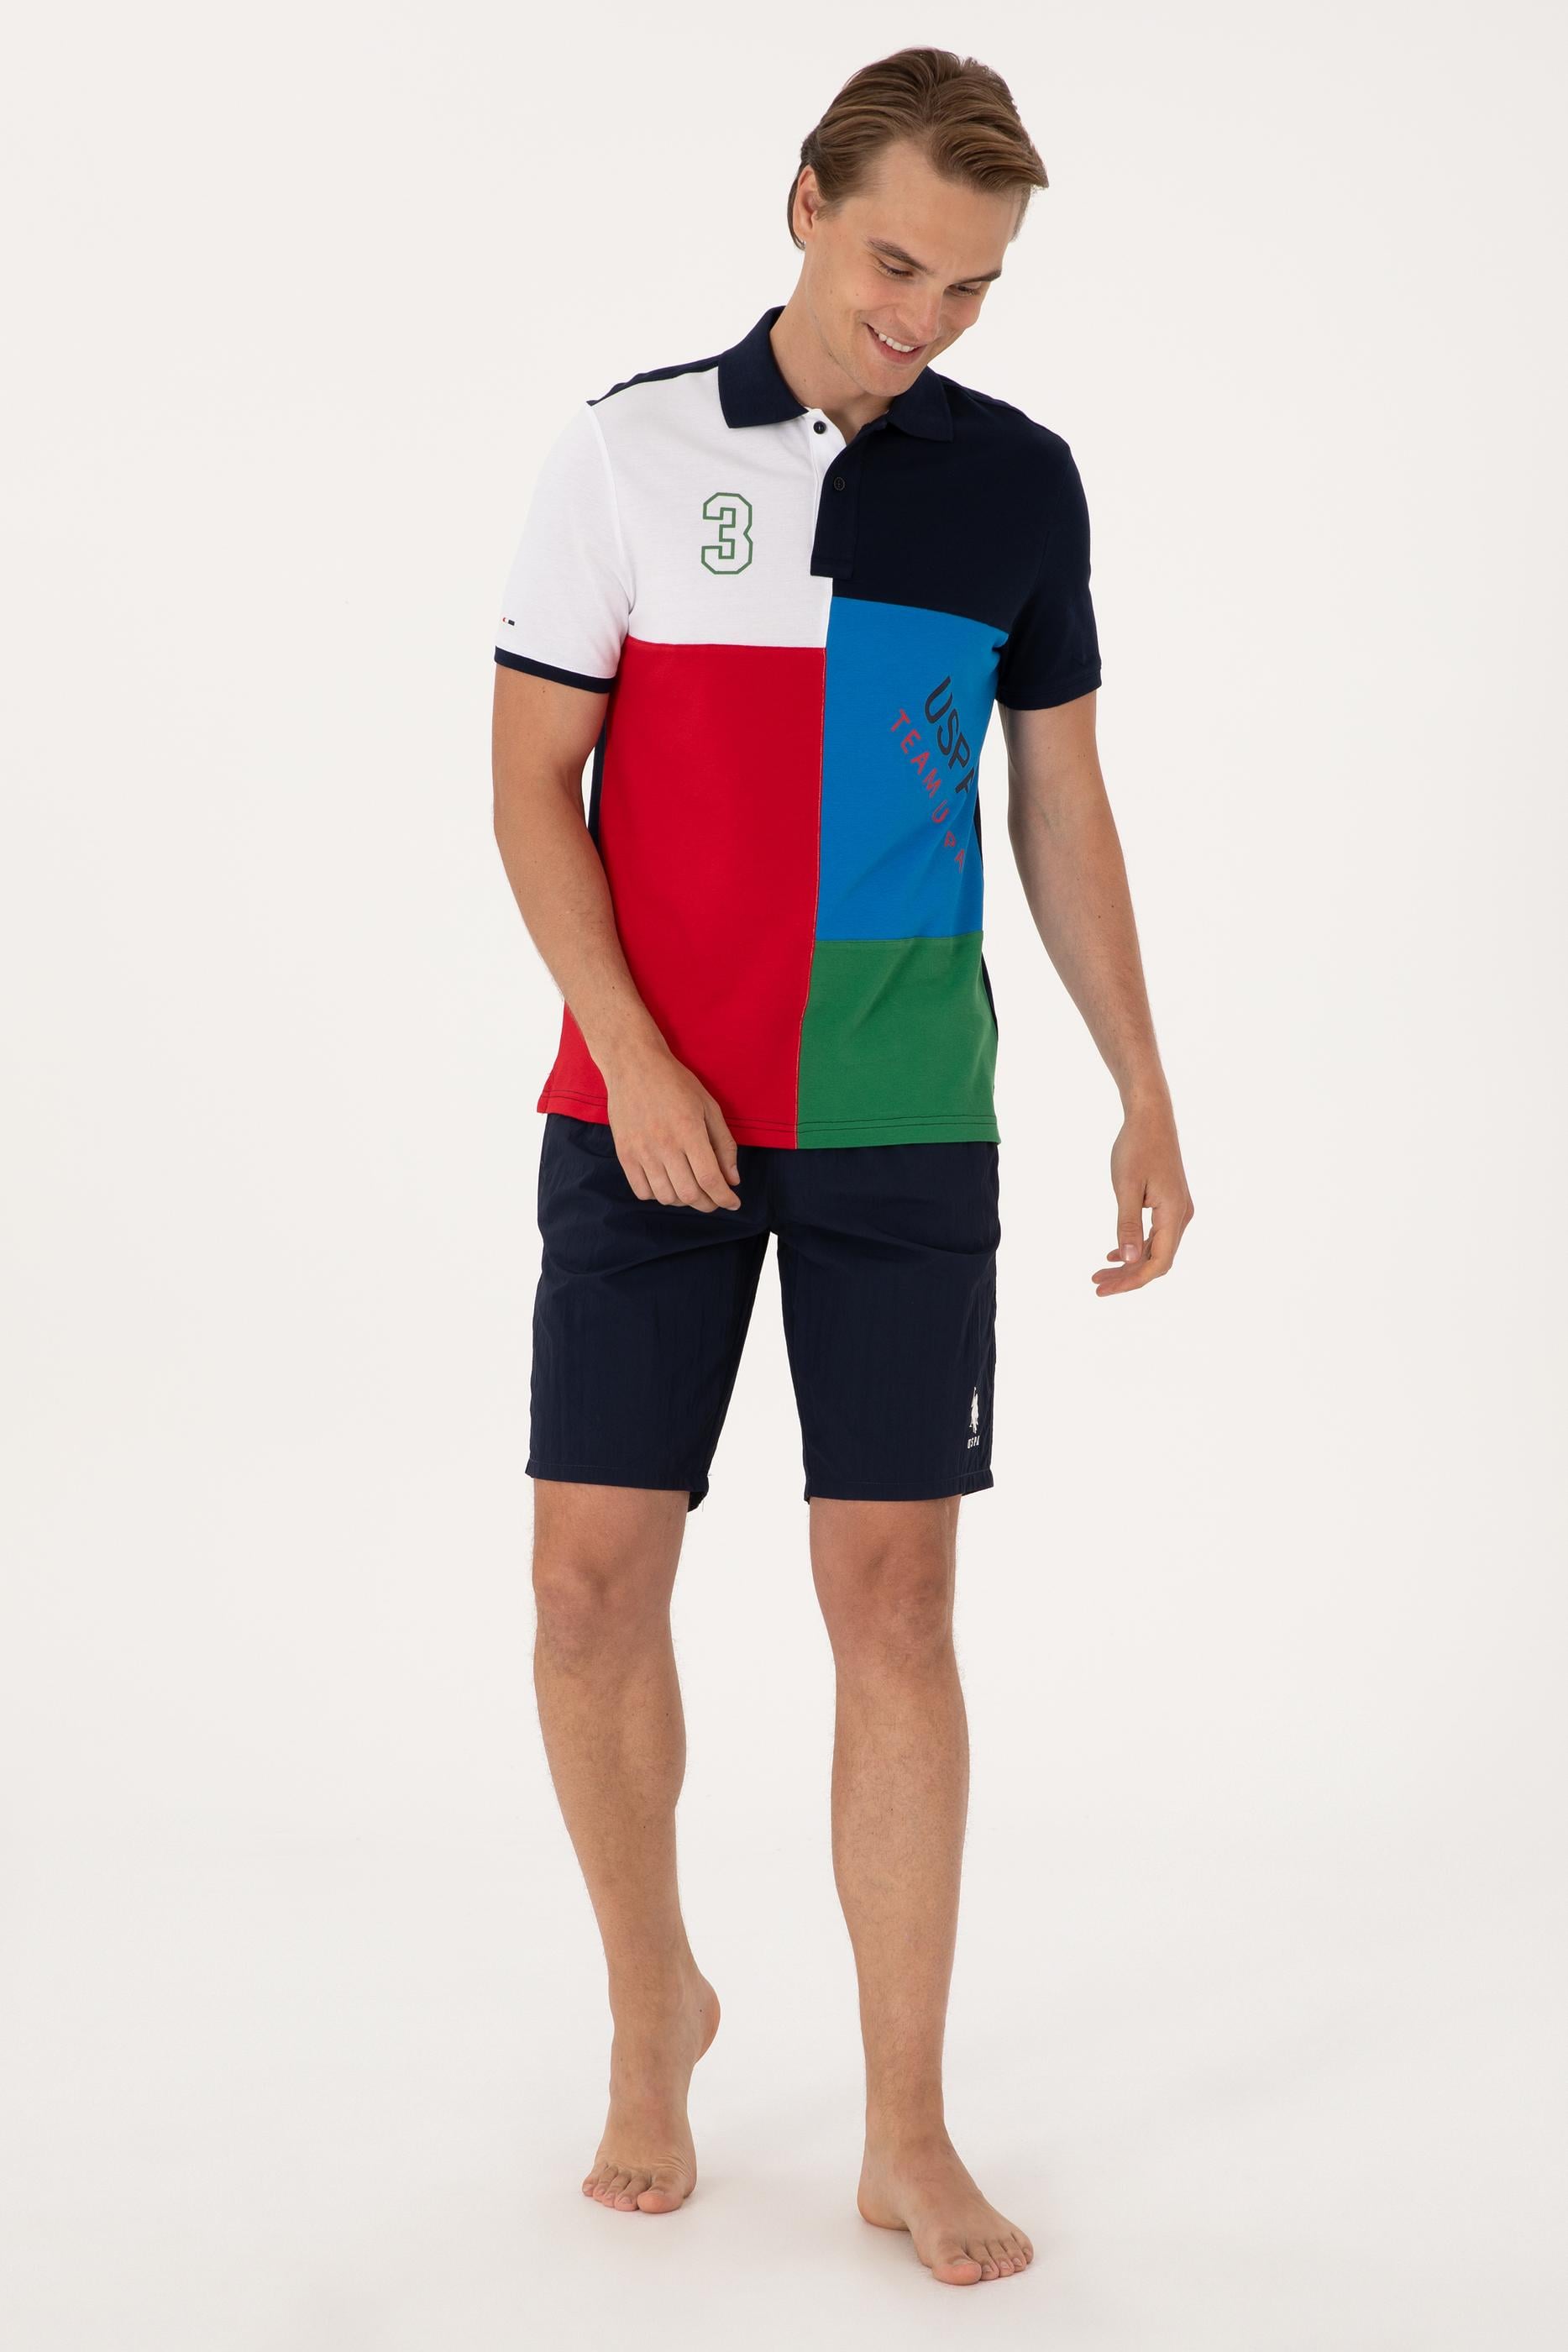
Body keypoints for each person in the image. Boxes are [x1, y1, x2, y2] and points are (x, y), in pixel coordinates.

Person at [490, 44, 1193, 2289]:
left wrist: (1141, 1082)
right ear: (803, 202)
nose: (923, 320)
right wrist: (633, 1054)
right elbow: (527, 788)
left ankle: (903, 2127)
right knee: (588, 1584)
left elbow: (1058, 805)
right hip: (643, 1107)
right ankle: (654, 2017)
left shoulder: (1018, 488)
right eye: (897, 263)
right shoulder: (627, 451)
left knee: (892, 1607)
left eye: (970, 288)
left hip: (898, 1116)